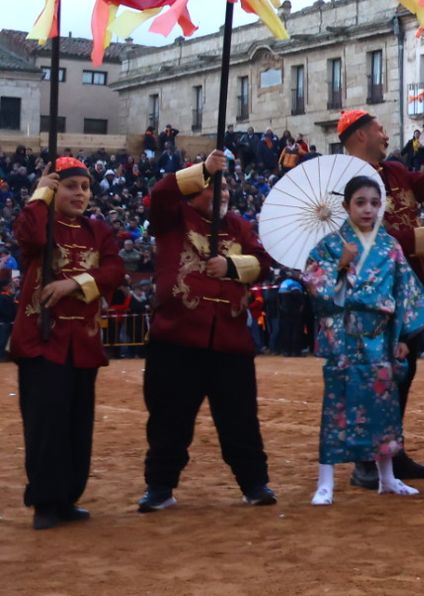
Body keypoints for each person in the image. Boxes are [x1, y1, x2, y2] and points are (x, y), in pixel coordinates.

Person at [139, 149, 276, 512]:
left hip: (230, 340)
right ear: (193, 189)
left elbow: (262, 264)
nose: (223, 193)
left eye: (226, 187)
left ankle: (255, 483)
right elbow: (161, 194)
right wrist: (203, 169)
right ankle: (160, 486)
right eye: (213, 188)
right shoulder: (172, 217)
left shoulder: (239, 227)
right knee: (169, 418)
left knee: (241, 419)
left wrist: (230, 265)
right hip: (177, 339)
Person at [301, 175, 424, 505]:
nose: (368, 209)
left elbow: (403, 291)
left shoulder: (390, 246)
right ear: (346, 206)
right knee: (337, 407)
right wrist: (341, 266)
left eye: (375, 203)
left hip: (381, 336)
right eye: (360, 202)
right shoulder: (330, 247)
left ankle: (387, 477)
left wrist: (404, 335)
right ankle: (325, 481)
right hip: (345, 336)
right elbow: (315, 288)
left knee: (384, 407)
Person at [337, 109, 424, 488]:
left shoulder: (397, 172)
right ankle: (365, 460)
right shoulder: (342, 183)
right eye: (380, 129)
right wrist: (423, 236)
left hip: (406, 286)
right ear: (358, 136)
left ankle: (390, 449)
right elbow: (359, 241)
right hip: (370, 290)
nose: (387, 135)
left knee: (402, 370)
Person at [11, 156, 126, 529]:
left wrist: (73, 284)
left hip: (84, 342)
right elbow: (27, 235)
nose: (80, 194)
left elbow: (113, 270)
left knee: (78, 424)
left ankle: (68, 497)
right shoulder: (42, 224)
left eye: (86, 187)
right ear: (54, 189)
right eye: (71, 186)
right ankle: (46, 500)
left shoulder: (99, 231)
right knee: (46, 425)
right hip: (43, 342)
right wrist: (41, 192)